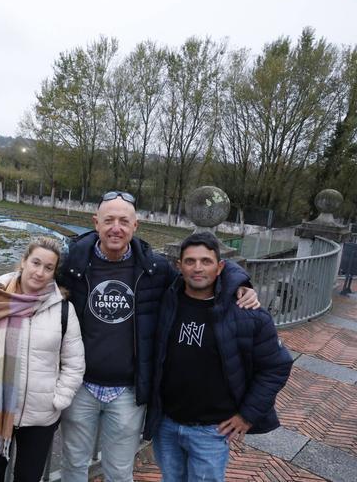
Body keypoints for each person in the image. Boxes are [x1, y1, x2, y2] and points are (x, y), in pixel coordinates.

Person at [56, 191, 259, 482]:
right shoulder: (72, 265)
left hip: (128, 393)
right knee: (73, 464)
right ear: (96, 223)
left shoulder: (155, 268)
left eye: (124, 221)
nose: (116, 227)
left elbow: (199, 271)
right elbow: (33, 273)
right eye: (109, 220)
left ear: (135, 226)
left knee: (119, 470)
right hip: (80, 387)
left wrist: (241, 283)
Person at [146, 232, 292, 481]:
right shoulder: (166, 302)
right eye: (190, 261)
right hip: (167, 424)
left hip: (212, 431)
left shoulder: (247, 313)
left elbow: (276, 366)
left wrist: (248, 415)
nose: (198, 268)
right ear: (179, 266)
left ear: (220, 267)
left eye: (206, 261)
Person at [0, 236, 85, 481]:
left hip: (41, 416)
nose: (40, 272)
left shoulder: (62, 310)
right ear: (23, 261)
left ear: (54, 273)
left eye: (48, 268)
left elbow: (74, 363)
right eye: (36, 263)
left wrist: (58, 400)